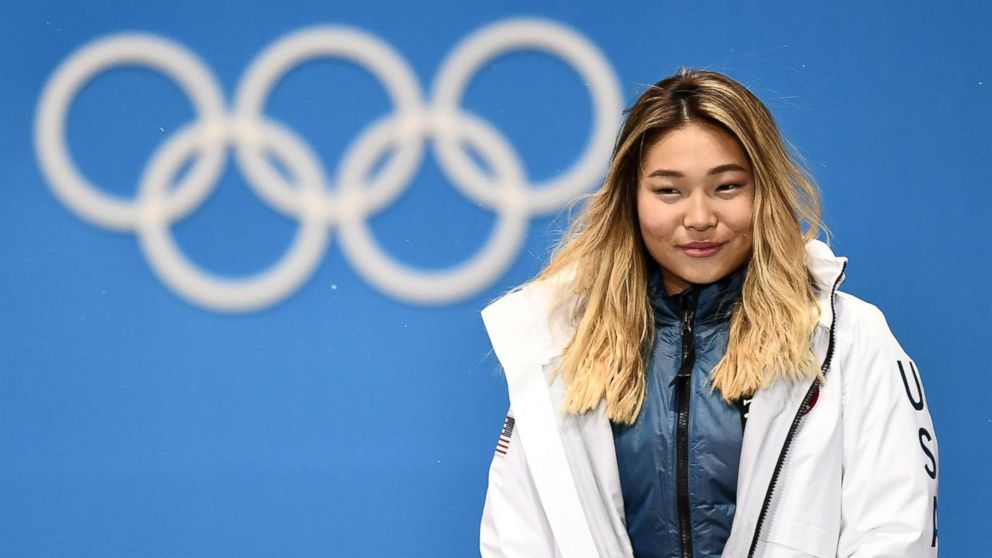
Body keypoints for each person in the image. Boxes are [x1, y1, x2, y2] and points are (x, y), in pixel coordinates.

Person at [479, 68, 939, 558]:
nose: (699, 218)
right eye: (668, 191)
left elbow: (894, 534)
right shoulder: (562, 346)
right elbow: (519, 539)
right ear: (630, 199)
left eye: (726, 187)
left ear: (764, 192)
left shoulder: (846, 338)